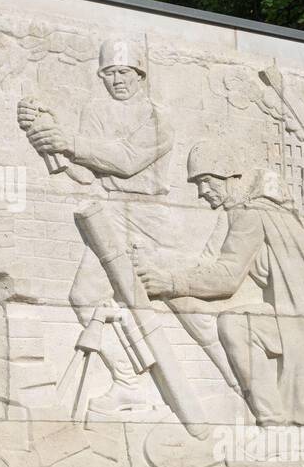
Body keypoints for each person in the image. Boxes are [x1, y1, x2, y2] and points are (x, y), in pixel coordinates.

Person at [132, 139, 304, 450]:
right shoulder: (242, 210)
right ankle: (285, 420)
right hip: (299, 312)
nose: (201, 192)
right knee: (244, 330)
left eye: (204, 181)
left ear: (227, 175)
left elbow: (227, 277)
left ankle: (295, 420)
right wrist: (160, 267)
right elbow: (208, 261)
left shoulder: (251, 211)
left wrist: (171, 282)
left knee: (241, 330)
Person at [17, 39, 185, 412]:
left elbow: (126, 161)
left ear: (140, 74)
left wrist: (70, 141)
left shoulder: (158, 117)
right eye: (108, 73)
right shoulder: (94, 110)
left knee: (186, 312)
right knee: (84, 297)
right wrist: (43, 134)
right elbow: (83, 172)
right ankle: (128, 383)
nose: (117, 80)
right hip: (110, 214)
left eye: (124, 72)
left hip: (148, 217)